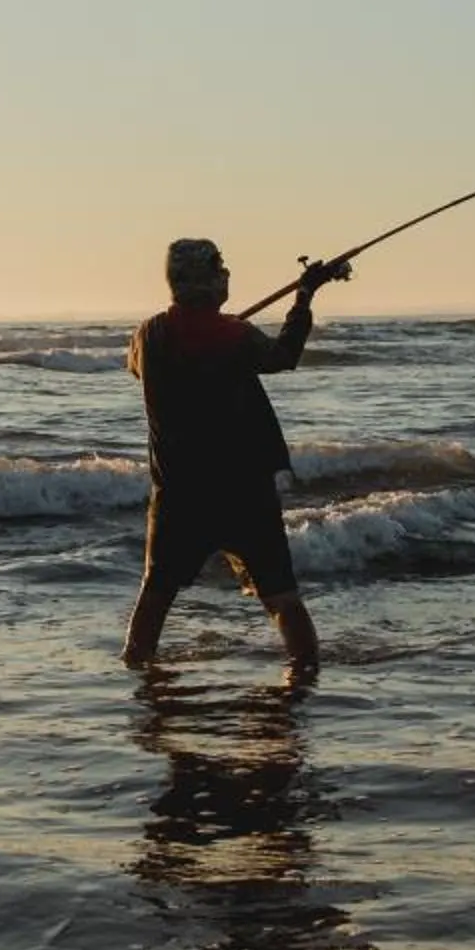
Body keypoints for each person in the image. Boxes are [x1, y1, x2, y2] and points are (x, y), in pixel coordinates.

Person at [123, 238, 348, 677]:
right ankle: (303, 681)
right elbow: (284, 357)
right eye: (219, 267)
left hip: (178, 496)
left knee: (156, 594)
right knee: (281, 597)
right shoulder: (234, 335)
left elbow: (136, 367)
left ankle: (138, 678)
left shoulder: (148, 335)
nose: (226, 274)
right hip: (244, 494)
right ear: (205, 279)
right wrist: (304, 296)